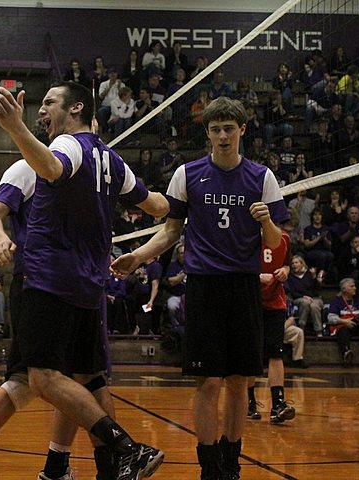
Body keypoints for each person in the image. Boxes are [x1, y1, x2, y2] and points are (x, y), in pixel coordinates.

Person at [0, 81, 169, 480]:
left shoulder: (64, 149)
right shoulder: (112, 161)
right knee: (81, 378)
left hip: (48, 278)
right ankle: (89, 467)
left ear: (77, 109)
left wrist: (14, 127)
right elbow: (160, 206)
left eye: (48, 103)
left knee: (40, 379)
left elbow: (52, 166)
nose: (40, 110)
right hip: (87, 282)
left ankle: (124, 448)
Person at [111, 96, 289, 480]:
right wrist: (138, 256)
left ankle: (232, 461)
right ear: (207, 133)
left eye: (229, 128)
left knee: (240, 381)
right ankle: (209, 465)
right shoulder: (188, 174)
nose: (222, 136)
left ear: (242, 130)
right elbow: (170, 231)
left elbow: (276, 244)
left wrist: (266, 223)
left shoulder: (263, 178)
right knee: (208, 381)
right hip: (205, 287)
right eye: (215, 129)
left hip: (243, 287)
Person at [247, 232, 296, 424]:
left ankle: (278, 404)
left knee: (276, 352)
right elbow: (234, 266)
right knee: (252, 353)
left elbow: (287, 263)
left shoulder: (284, 238)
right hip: (250, 299)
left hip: (275, 301)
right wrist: (257, 276)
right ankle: (249, 402)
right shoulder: (246, 235)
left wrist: (285, 271)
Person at [286, 254, 325, 337]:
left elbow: (316, 290)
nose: (294, 265)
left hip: (315, 298)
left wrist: (315, 278)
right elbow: (292, 292)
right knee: (305, 302)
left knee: (314, 306)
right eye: (292, 263)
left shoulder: (309, 274)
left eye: (296, 263)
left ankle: (319, 331)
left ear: (302, 264)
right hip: (299, 298)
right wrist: (304, 296)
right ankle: (301, 327)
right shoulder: (290, 277)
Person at [327, 277, 359, 366]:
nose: (355, 288)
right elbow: (330, 318)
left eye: (354, 286)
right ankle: (346, 353)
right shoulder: (337, 301)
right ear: (344, 289)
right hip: (343, 326)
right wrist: (344, 321)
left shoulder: (358, 300)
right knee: (343, 332)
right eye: (352, 286)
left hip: (357, 325)